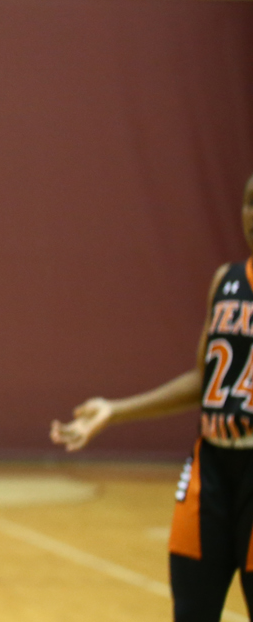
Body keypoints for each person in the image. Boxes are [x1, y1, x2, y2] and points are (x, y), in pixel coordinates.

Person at [51, 174, 253, 622]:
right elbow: (205, 379)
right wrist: (115, 411)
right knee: (191, 609)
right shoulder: (227, 280)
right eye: (249, 203)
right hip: (212, 468)